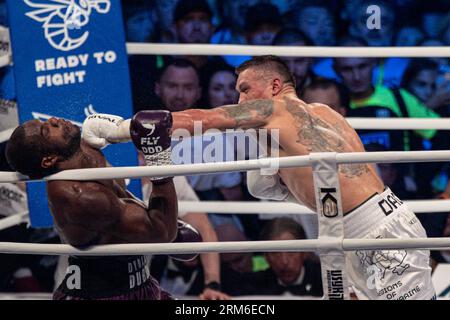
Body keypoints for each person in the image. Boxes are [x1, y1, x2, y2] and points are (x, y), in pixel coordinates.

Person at [81, 55, 437, 300]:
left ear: (275, 85)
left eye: (245, 89)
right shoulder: (325, 113)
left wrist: (123, 130)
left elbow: (198, 118)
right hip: (369, 223)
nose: (239, 98)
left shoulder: (271, 108)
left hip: (376, 232)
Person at [5, 112, 201, 300]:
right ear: (49, 160)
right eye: (46, 131)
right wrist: (158, 157)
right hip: (103, 294)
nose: (53, 120)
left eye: (45, 122)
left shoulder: (82, 149)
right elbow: (162, 232)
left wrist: (121, 131)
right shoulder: (78, 197)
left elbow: (122, 197)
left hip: (140, 284)